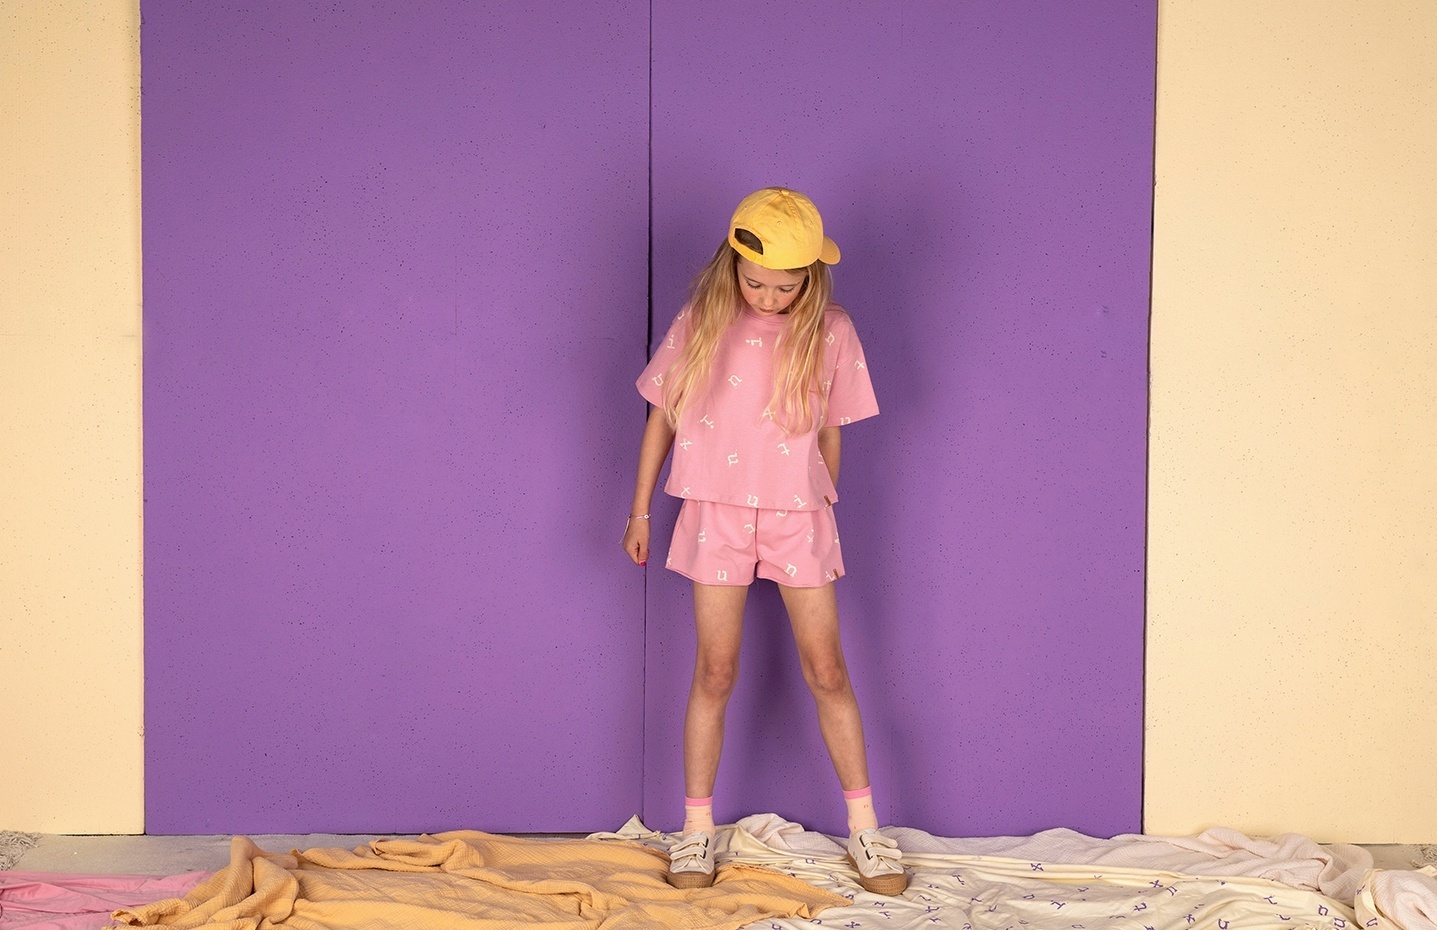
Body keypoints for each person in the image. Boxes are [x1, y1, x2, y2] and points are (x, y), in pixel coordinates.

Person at [621, 187, 907, 896]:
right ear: (732, 265)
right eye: (756, 284)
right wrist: (641, 512)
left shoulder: (831, 329)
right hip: (713, 511)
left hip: (797, 515)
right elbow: (661, 418)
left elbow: (831, 432)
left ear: (810, 277)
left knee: (827, 670)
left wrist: (822, 504)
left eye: (787, 286)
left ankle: (866, 830)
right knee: (714, 672)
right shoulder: (702, 320)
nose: (771, 298)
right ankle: (694, 831)